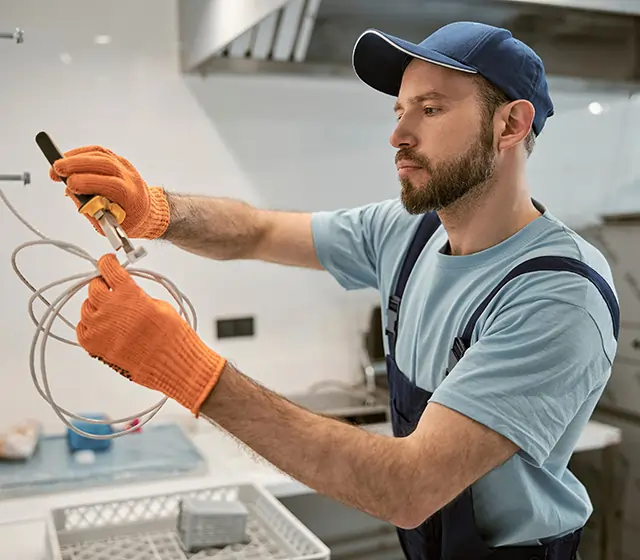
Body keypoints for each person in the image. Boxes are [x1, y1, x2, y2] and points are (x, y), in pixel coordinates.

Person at [48, 21, 619, 560]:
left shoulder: (558, 294)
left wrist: (186, 369)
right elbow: (260, 230)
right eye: (399, 110)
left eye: (431, 109)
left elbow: (409, 485)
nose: (398, 134)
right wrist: (157, 210)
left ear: (511, 126)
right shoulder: (410, 230)